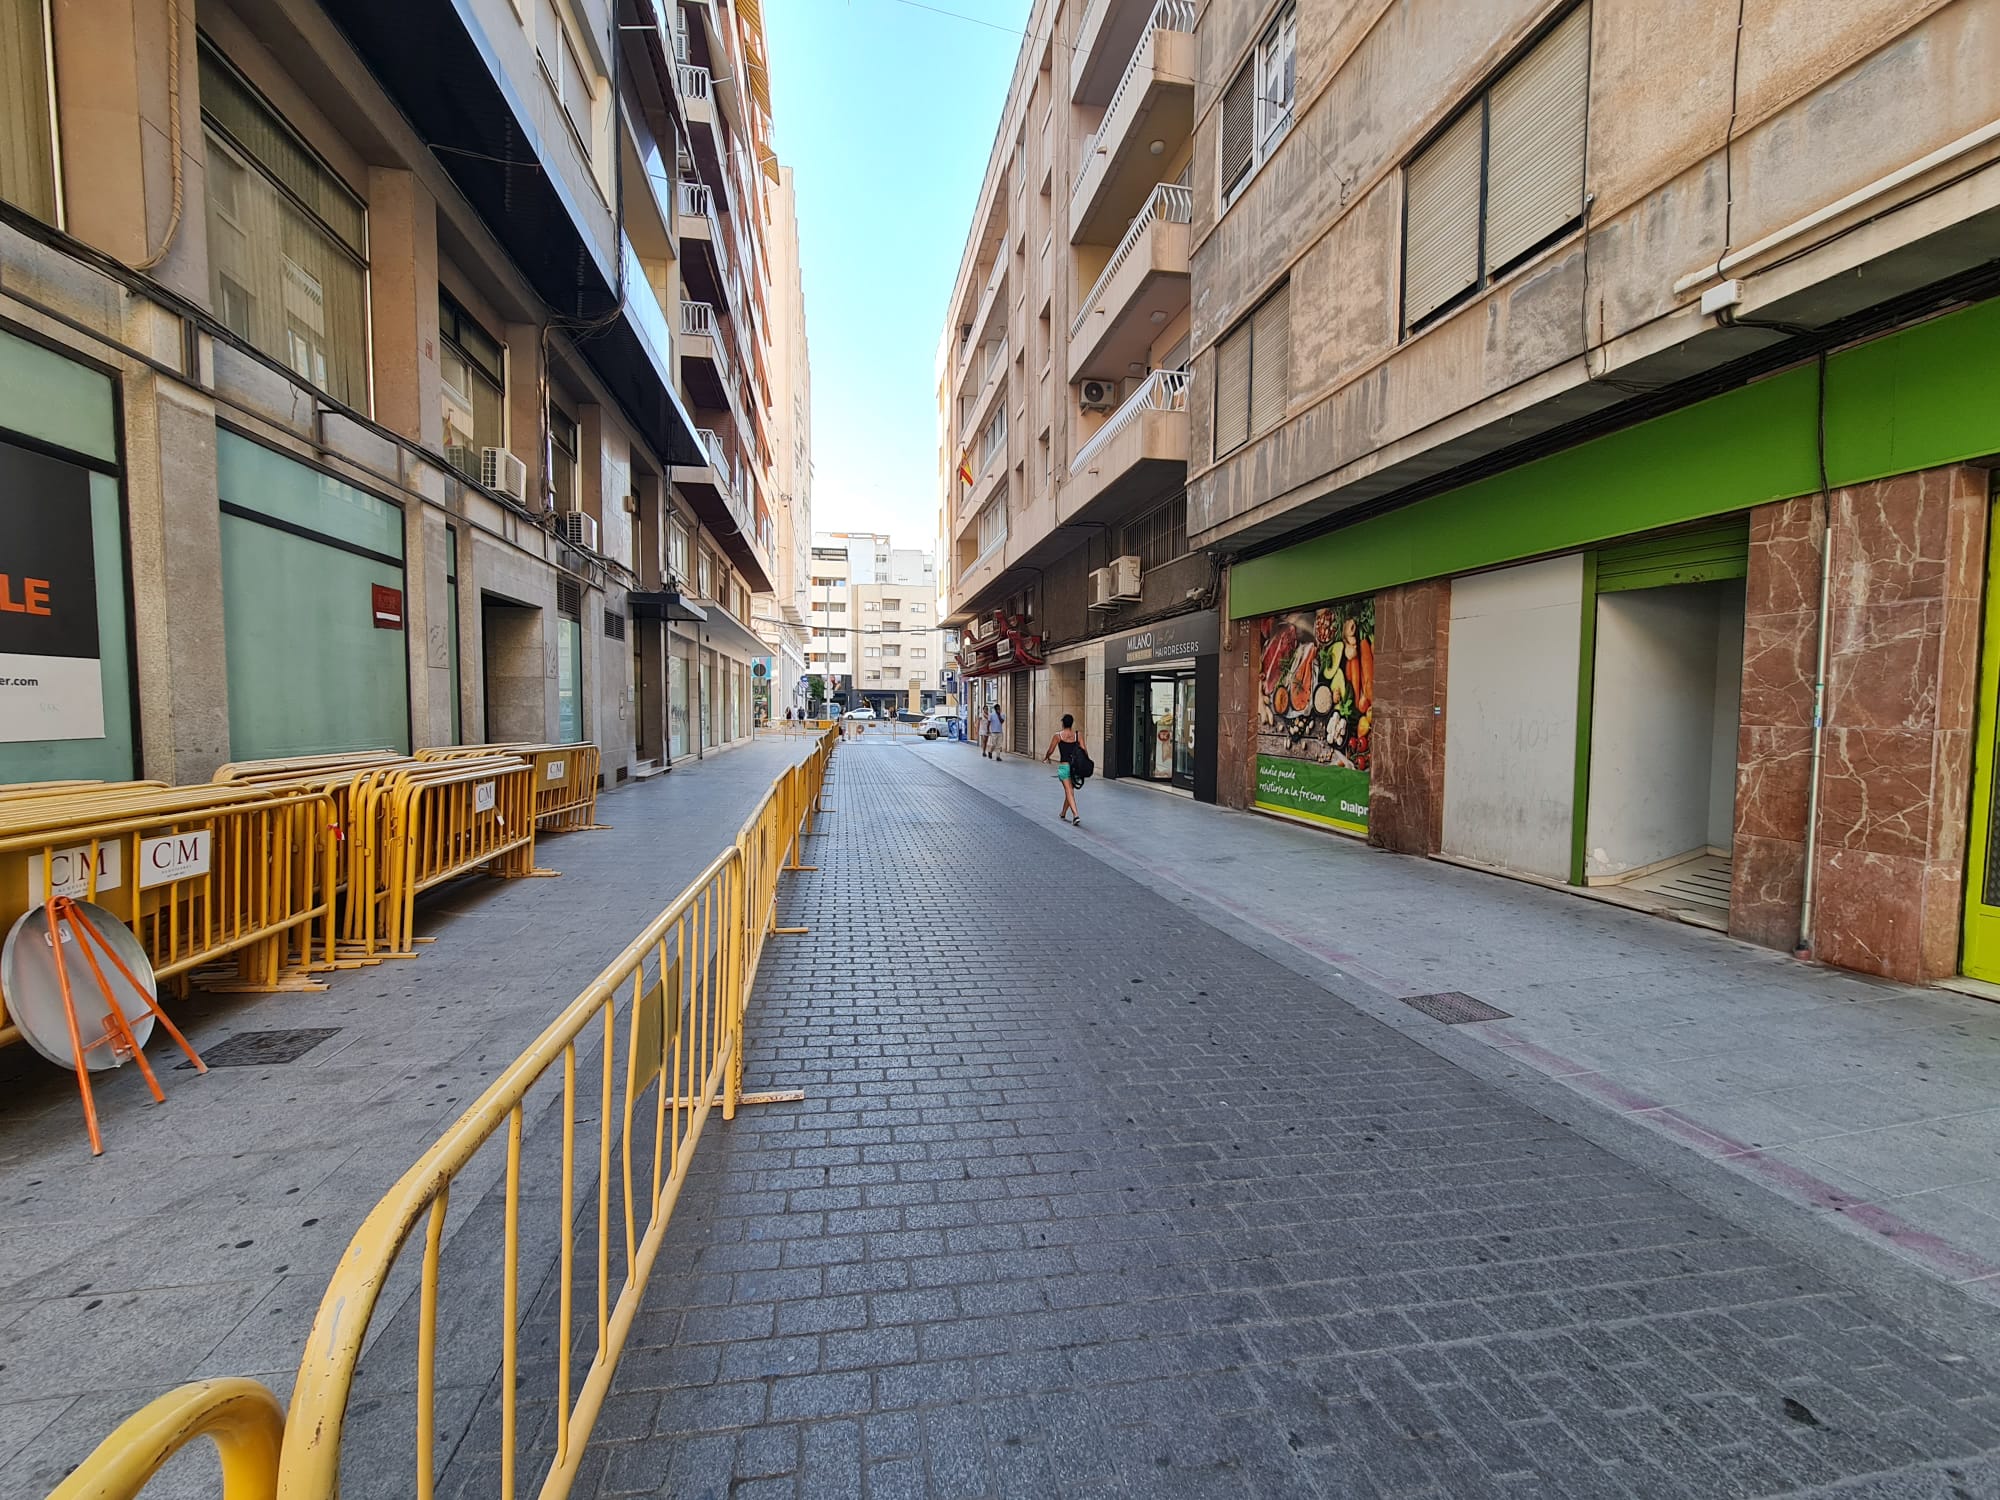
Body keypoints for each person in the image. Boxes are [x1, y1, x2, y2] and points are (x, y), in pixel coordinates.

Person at [1043, 713, 1091, 825]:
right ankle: (1063, 813)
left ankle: (1076, 815)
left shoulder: (1058, 736)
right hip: (1075, 768)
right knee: (1070, 791)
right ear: (1072, 723)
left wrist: (1046, 757)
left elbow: (1050, 750)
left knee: (1069, 791)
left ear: (1063, 723)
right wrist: (1086, 762)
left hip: (1064, 766)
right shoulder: (1078, 735)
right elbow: (1084, 750)